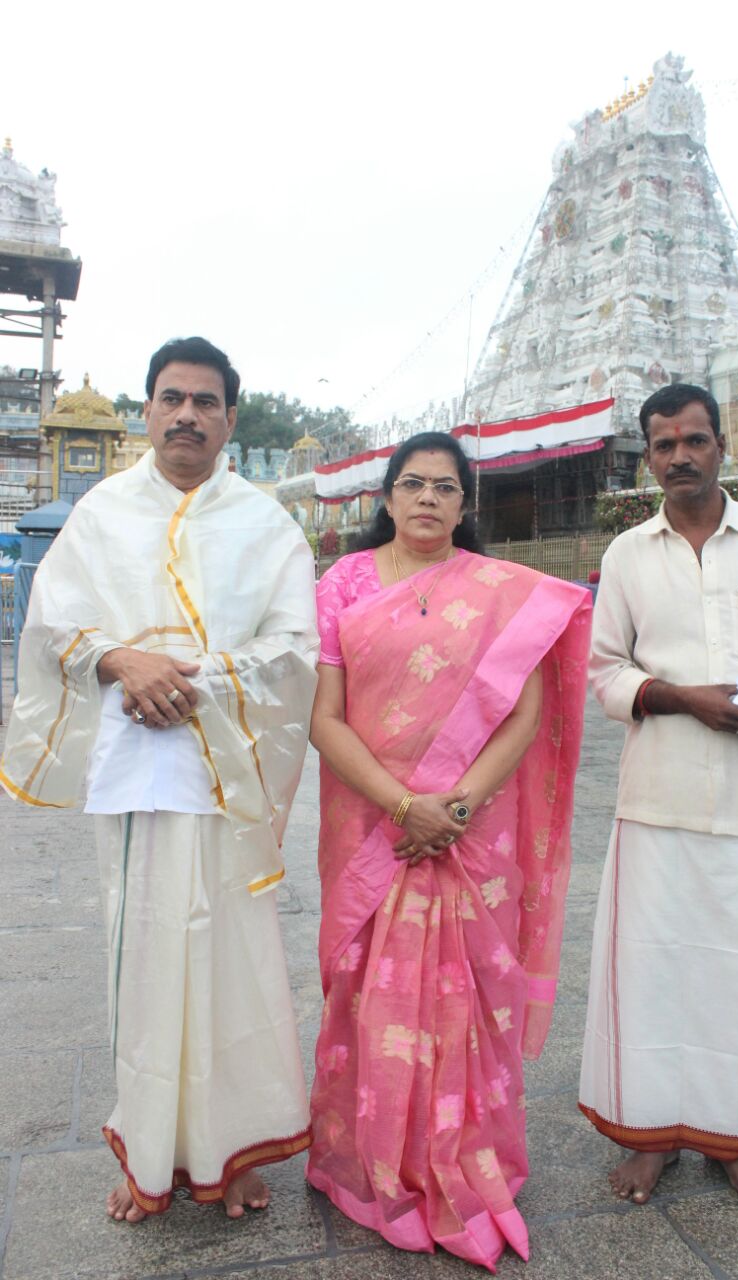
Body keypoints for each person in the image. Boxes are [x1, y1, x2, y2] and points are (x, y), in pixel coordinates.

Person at [0, 337, 319, 1221]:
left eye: (205, 401)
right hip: (136, 772)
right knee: (142, 958)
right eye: (171, 398)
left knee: (231, 961)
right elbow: (52, 623)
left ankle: (234, 1150)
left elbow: (296, 649)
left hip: (226, 775)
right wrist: (118, 661)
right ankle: (149, 1152)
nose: (186, 415)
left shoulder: (265, 526)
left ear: (230, 418)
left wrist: (189, 679)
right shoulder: (102, 513)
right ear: (145, 411)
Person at [306, 431, 592, 1269]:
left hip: (471, 830)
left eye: (444, 487)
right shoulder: (344, 584)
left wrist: (454, 807)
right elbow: (324, 718)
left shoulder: (504, 593)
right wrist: (404, 805)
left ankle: (466, 1156)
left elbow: (524, 714)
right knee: (370, 991)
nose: (427, 498)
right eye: (412, 484)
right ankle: (371, 1159)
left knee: (470, 994)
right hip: (374, 825)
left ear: (465, 506)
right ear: (387, 497)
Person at [578, 384, 738, 1206]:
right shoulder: (628, 554)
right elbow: (604, 671)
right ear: (648, 458)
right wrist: (685, 698)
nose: (680, 456)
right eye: (663, 444)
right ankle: (652, 1135)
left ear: (721, 445)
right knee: (651, 971)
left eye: (694, 440)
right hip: (657, 799)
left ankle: (736, 1136)